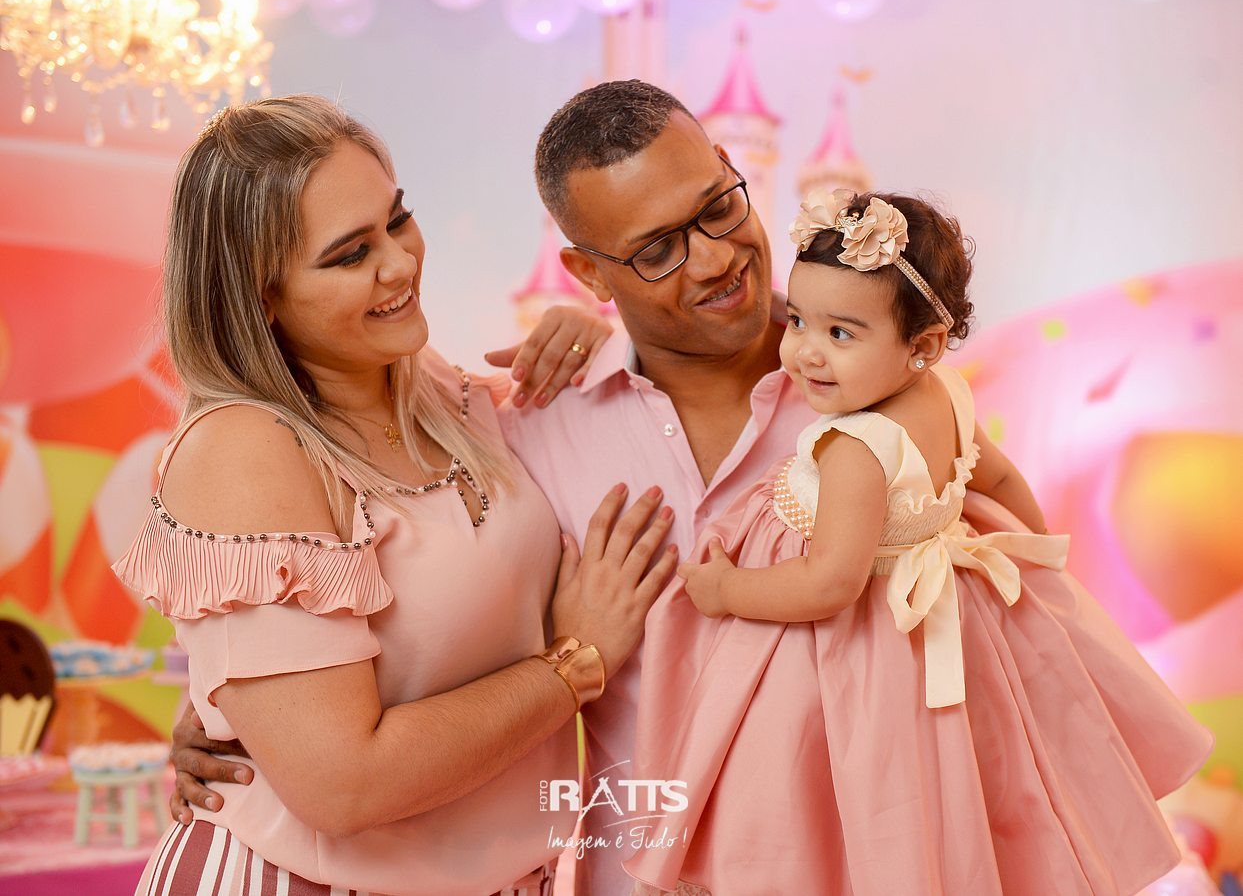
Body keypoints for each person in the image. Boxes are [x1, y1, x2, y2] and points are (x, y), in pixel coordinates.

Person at [172, 81, 1198, 895]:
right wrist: (233, 709)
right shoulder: (524, 426)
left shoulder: (888, 396)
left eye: (719, 207)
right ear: (587, 273)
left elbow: (1012, 616)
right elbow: (386, 582)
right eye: (658, 250)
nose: (714, 260)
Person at [113, 93, 679, 896]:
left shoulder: (440, 391)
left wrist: (595, 335)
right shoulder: (245, 449)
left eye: (397, 220)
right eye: (350, 254)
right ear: (259, 295)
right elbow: (343, 787)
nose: (400, 264)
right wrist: (573, 662)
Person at [622, 190, 1215, 895]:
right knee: (956, 782)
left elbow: (829, 583)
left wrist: (726, 590)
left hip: (855, 647)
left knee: (831, 786)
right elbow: (998, 477)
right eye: (800, 320)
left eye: (841, 334)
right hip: (947, 626)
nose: (805, 352)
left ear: (922, 346)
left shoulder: (857, 446)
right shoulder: (948, 393)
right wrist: (1033, 554)